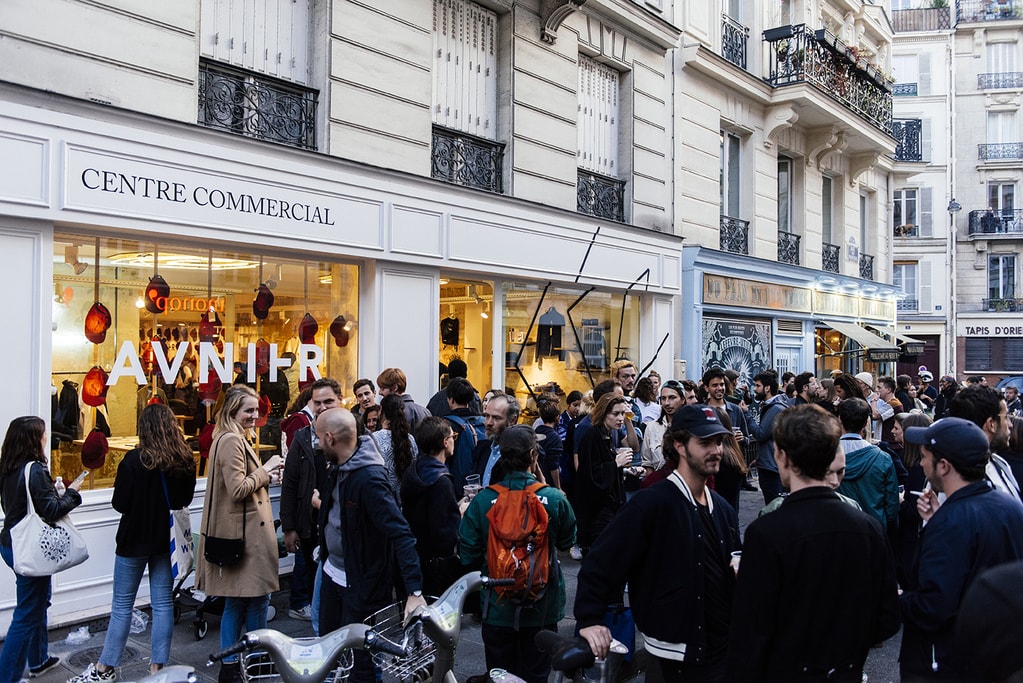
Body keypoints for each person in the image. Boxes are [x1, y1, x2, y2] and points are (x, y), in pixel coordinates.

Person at [729, 404, 899, 682]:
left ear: (782, 456)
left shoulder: (766, 532)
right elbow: (887, 617)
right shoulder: (865, 526)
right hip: (845, 670)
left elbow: (750, 629)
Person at [576, 405, 741, 682]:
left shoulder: (722, 508)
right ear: (679, 445)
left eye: (718, 441)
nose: (716, 450)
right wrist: (589, 620)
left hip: (720, 650)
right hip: (671, 654)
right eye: (704, 442)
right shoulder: (651, 503)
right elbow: (602, 562)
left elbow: (732, 561)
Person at [68, 404, 197, 683]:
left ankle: (105, 668)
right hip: (165, 541)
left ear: (144, 430)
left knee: (123, 604)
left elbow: (119, 503)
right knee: (162, 603)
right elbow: (184, 500)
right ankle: (157, 668)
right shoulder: (184, 461)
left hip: (133, 540)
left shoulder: (132, 461)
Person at [901, 417, 1023, 680]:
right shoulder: (1010, 507)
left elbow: (933, 607)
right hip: (998, 654)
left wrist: (899, 597)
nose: (921, 464)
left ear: (943, 466)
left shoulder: (950, 523)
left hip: (949, 662)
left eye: (924, 457)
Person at [315, 407, 426, 683]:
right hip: (333, 573)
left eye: (318, 438)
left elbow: (401, 533)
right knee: (330, 645)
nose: (317, 444)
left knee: (360, 661)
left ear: (330, 438)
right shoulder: (338, 467)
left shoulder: (369, 480)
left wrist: (414, 591)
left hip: (360, 583)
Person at [458, 425, 576, 683]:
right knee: (536, 673)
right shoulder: (554, 498)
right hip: (543, 606)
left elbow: (466, 554)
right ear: (534, 456)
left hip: (497, 606)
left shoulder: (482, 500)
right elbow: (568, 541)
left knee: (500, 674)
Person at [197, 385, 284, 683]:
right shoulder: (232, 440)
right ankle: (251, 660)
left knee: (239, 600)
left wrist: (265, 477)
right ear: (232, 410)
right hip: (245, 537)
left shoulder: (229, 437)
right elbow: (237, 490)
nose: (254, 416)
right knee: (257, 599)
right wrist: (267, 468)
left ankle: (233, 664)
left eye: (256, 410)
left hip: (243, 533)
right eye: (248, 410)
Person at [0, 416, 83, 683]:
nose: (46, 437)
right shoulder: (34, 469)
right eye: (43, 434)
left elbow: (23, 504)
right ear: (33, 439)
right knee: (27, 613)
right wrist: (72, 493)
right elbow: (50, 510)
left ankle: (38, 659)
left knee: (38, 602)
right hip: (29, 548)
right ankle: (7, 676)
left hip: (13, 544)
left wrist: (52, 492)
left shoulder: (8, 466)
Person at [279, 377, 340, 624]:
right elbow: (290, 484)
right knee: (316, 579)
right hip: (310, 524)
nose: (323, 407)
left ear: (340, 400)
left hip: (342, 523)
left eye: (328, 401)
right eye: (318, 403)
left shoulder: (354, 433)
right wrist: (289, 527)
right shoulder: (303, 437)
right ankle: (321, 630)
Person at [400, 416, 461, 597]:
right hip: (435, 567)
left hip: (415, 557)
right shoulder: (441, 481)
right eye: (453, 436)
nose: (453, 440)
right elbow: (445, 534)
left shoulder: (415, 469)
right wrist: (460, 513)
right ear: (445, 442)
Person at [574, 394, 631, 552]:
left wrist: (624, 469)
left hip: (608, 507)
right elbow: (589, 476)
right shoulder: (593, 436)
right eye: (615, 414)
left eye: (622, 413)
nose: (620, 418)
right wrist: (615, 464)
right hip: (598, 512)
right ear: (604, 413)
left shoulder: (608, 434)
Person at [835, 398, 899, 533]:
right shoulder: (882, 458)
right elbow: (892, 504)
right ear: (865, 423)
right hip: (874, 529)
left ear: (839, 419)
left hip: (838, 530)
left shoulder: (826, 456)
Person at [950, 384, 1022, 502]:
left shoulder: (999, 462)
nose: (1010, 424)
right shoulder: (954, 479)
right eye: (1006, 417)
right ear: (991, 424)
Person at [893, 412, 933, 589]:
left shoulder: (918, 468)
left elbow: (915, 510)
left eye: (897, 428)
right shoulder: (913, 463)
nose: (893, 432)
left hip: (911, 542)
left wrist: (901, 501)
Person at [743, 370, 789, 504]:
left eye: (757, 386)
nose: (755, 389)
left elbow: (761, 434)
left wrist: (747, 414)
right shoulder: (772, 406)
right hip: (769, 463)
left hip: (771, 468)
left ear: (767, 388)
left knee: (773, 505)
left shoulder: (776, 409)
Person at [470, 393, 521, 487]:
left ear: (513, 420)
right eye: (486, 416)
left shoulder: (520, 454)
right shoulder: (481, 449)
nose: (489, 423)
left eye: (496, 418)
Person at [374, 393, 419, 492]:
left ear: (381, 410)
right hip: (405, 497)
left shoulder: (374, 439)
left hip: (383, 496)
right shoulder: (410, 439)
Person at [640, 379, 684, 473]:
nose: (667, 403)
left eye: (672, 398)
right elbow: (648, 464)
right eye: (663, 398)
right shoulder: (652, 428)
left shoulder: (691, 426)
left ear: (683, 399)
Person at [376, 367, 430, 435]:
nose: (380, 392)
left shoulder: (390, 413)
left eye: (383, 388)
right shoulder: (425, 411)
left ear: (395, 388)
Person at [534, 396, 564, 489]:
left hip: (537, 478)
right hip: (549, 481)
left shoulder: (537, 430)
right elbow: (553, 466)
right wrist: (559, 488)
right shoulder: (555, 438)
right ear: (557, 417)